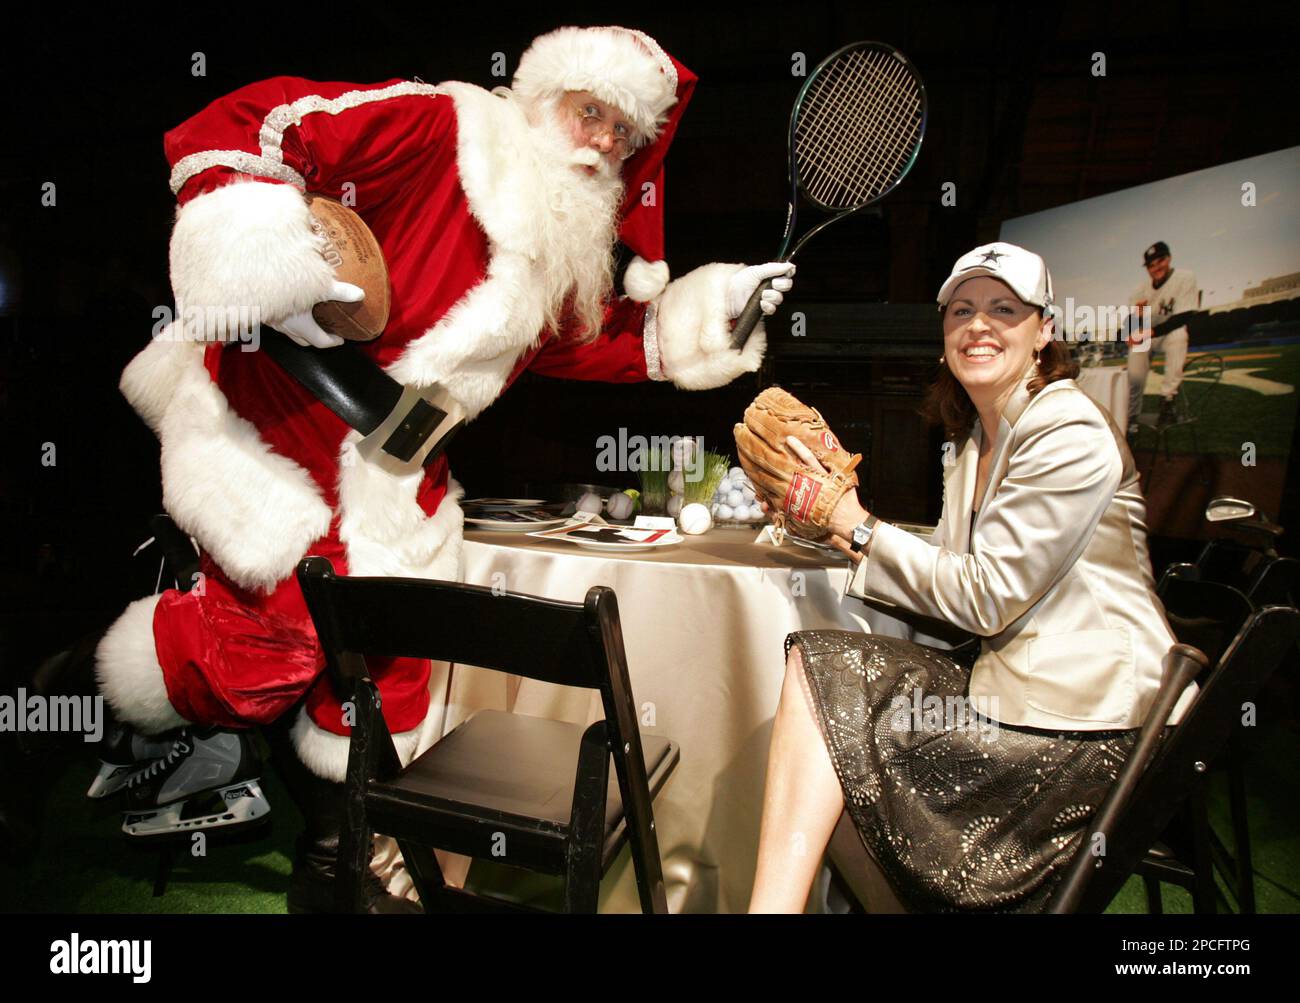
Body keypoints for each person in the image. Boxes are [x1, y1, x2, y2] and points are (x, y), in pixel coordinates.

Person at [5, 25, 796, 911]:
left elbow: (590, 339)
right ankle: (63, 692)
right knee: (257, 656)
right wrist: (247, 237)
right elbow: (254, 121)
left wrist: (704, 320)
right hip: (280, 433)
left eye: (625, 134)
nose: (606, 143)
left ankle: (337, 865)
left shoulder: (555, 253)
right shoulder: (440, 125)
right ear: (540, 100)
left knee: (390, 675)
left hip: (397, 481)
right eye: (590, 113)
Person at [747, 242, 1196, 913]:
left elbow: (985, 594)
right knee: (820, 680)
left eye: (1003, 308)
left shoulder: (1067, 428)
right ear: (944, 336)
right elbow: (951, 569)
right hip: (1018, 699)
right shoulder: (973, 444)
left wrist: (860, 523)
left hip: (1096, 731)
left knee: (832, 722)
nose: (978, 323)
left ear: (1043, 331)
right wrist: (833, 524)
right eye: (962, 310)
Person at [1126, 240, 1200, 434]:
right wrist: (1135, 320)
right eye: (1151, 265)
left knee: (1179, 334)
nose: (1156, 267)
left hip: (1167, 333)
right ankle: (1131, 416)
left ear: (1168, 259)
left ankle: (1168, 399)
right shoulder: (1140, 290)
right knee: (1135, 368)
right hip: (1149, 334)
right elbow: (1130, 325)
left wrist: (1147, 332)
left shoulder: (1185, 278)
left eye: (1160, 261)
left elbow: (1184, 316)